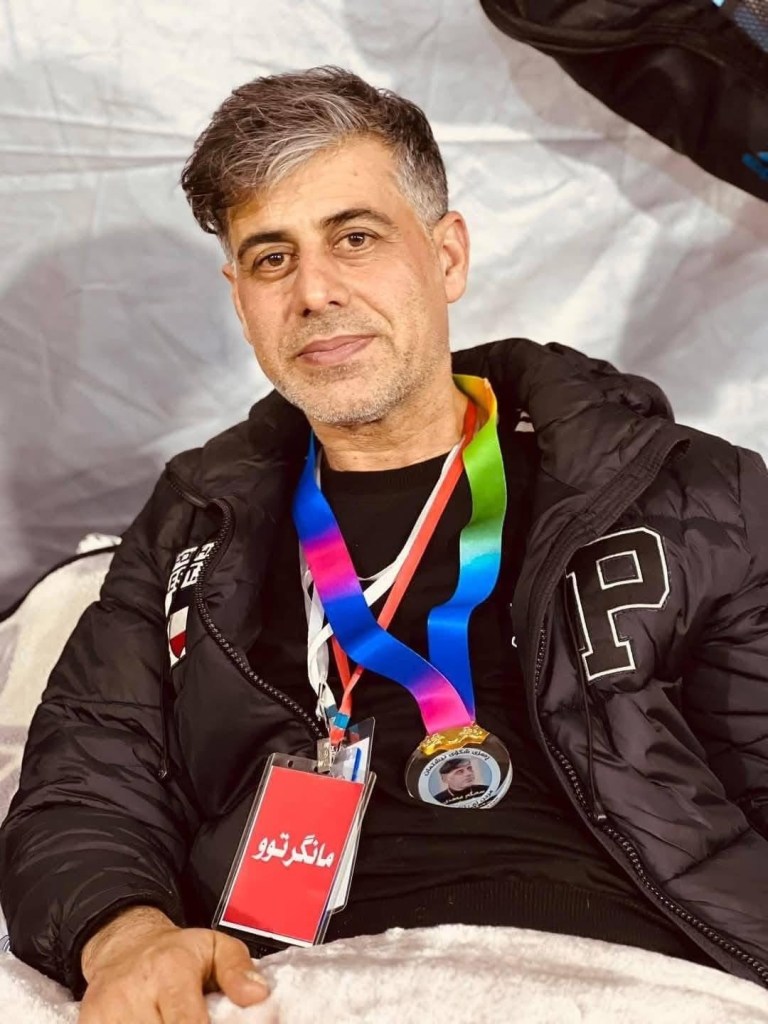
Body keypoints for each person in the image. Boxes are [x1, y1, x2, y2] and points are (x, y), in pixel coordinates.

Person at [1, 65, 767, 1024]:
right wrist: (129, 937)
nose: (314, 291)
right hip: (284, 983)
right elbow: (86, 780)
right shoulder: (198, 520)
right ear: (240, 298)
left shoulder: (682, 491)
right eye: (271, 258)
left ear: (446, 256)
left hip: (637, 977)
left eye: (355, 238)